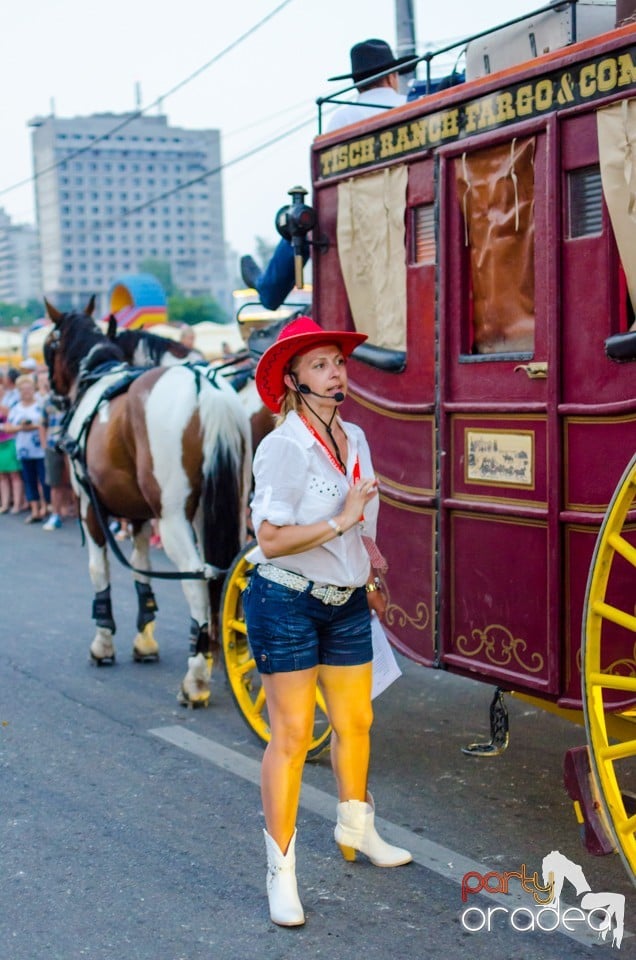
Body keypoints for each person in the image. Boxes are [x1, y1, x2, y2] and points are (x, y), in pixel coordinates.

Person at [244, 316, 411, 928]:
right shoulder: (282, 446)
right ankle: (281, 873)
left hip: (343, 601)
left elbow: (362, 521)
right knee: (290, 736)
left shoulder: (357, 437)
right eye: (319, 364)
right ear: (292, 379)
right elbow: (268, 538)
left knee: (357, 719)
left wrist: (368, 565)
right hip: (285, 599)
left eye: (337, 361)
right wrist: (341, 522)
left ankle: (356, 829)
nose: (335, 371)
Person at [240, 39, 411, 311]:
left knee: (304, 221)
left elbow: (329, 185)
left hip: (355, 218)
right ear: (391, 77)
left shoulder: (341, 118)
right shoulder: (410, 105)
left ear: (357, 83)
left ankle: (268, 291)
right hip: (406, 207)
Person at [6, 374, 50, 523]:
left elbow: (46, 424)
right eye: (23, 390)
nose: (27, 392)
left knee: (44, 480)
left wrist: (31, 427)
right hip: (24, 449)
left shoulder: (41, 405)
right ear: (19, 391)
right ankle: (34, 509)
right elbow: (9, 427)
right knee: (29, 481)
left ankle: (45, 507)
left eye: (29, 389)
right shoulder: (16, 408)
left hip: (40, 449)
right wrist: (23, 427)